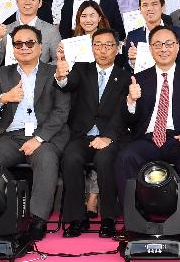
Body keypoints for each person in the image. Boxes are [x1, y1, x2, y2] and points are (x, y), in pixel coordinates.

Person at [0, 25, 71, 241]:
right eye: (18, 44)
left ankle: (37, 220)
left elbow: (61, 112)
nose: (24, 47)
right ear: (13, 49)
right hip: (12, 135)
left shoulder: (54, 72)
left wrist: (38, 139)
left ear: (40, 47)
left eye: (30, 43)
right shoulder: (4, 73)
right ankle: (3, 213)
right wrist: (5, 98)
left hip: (44, 136)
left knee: (46, 159)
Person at [116, 25, 180, 222]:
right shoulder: (138, 79)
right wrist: (131, 101)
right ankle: (134, 219)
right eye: (157, 44)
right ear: (150, 49)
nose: (163, 49)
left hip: (179, 138)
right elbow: (128, 120)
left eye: (168, 44)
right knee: (125, 157)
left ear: (178, 47)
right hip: (147, 139)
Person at [55, 28, 130, 238]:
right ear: (92, 48)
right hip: (82, 135)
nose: (103, 50)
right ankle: (77, 219)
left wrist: (108, 137)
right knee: (70, 157)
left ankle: (108, 218)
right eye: (98, 45)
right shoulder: (81, 69)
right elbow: (67, 84)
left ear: (117, 49)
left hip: (109, 136)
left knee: (105, 160)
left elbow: (122, 113)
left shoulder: (125, 77)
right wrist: (61, 76)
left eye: (108, 45)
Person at [0, 0, 61, 69]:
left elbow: (59, 59)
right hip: (10, 77)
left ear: (40, 3)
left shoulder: (51, 30)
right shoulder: (6, 30)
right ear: (17, 2)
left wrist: (40, 71)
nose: (27, 2)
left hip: (41, 77)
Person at [124, 0, 180, 69]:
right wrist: (132, 61)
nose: (149, 8)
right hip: (143, 76)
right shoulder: (132, 36)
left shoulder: (178, 33)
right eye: (145, 5)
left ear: (162, 7)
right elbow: (127, 69)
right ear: (140, 10)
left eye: (154, 4)